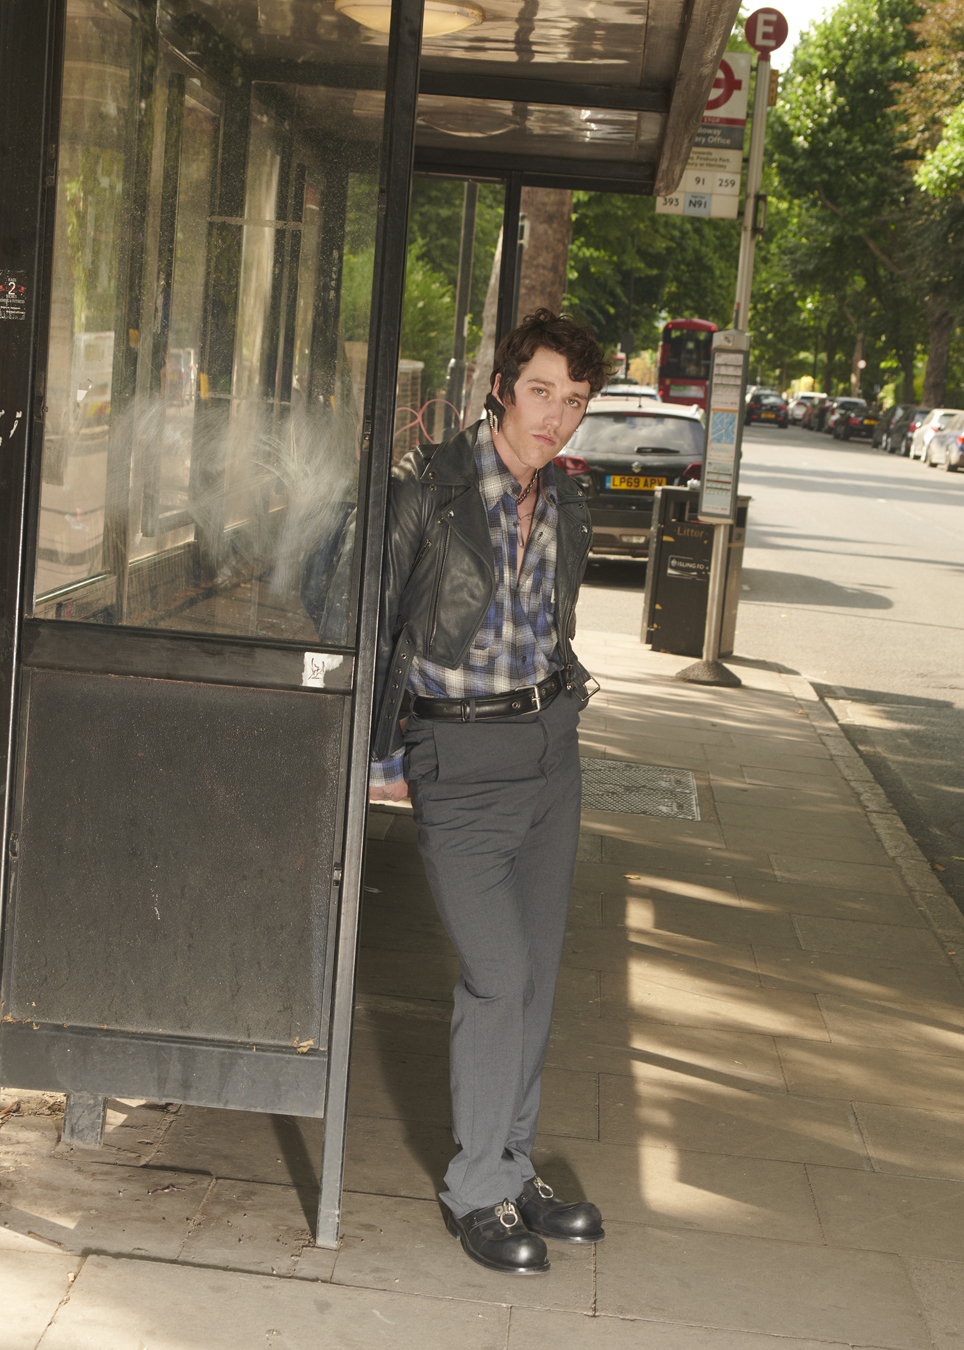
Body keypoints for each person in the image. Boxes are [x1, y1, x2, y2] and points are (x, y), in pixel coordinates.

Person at [368, 309, 610, 1275]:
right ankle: (474, 1189)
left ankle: (510, 1168)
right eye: (543, 390)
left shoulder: (566, 502)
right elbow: (364, 611)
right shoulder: (423, 487)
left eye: (576, 401)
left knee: (538, 978)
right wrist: (381, 754)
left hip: (551, 751)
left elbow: (553, 622)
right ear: (505, 384)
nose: (556, 417)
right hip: (460, 762)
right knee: (497, 974)